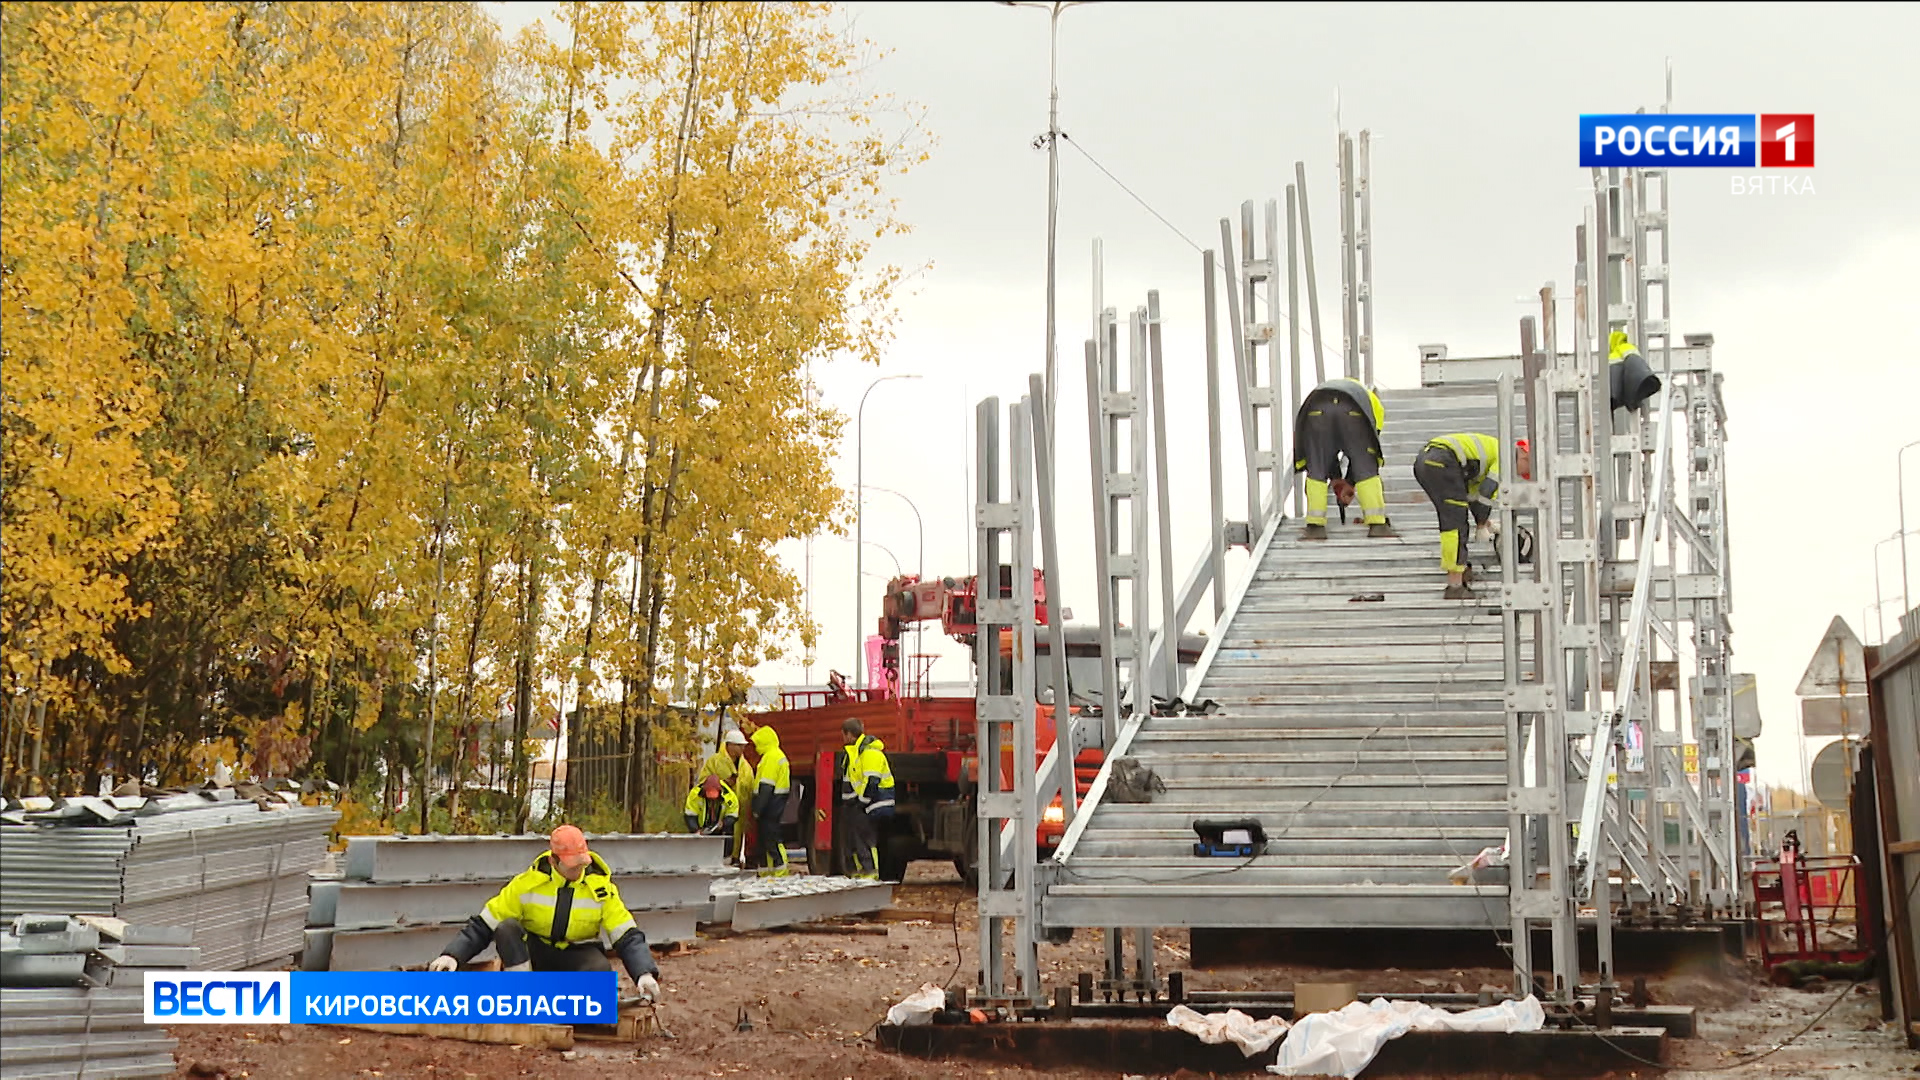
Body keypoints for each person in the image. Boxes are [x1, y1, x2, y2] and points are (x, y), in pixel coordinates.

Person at [427, 825, 661, 1003]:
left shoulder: (601, 890)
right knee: (507, 928)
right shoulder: (526, 885)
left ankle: (563, 999)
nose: (577, 870)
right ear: (553, 860)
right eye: (571, 865)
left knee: (599, 977)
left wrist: (643, 973)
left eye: (581, 863)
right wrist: (452, 956)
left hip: (577, 954)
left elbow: (627, 935)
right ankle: (521, 996)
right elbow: (485, 924)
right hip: (535, 954)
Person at [1412, 434, 1532, 599]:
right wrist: (1481, 524)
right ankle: (1455, 585)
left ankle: (1460, 570)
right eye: (1526, 471)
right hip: (1442, 460)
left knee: (1454, 516)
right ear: (1525, 456)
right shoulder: (1505, 458)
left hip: (1427, 461)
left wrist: (1483, 523)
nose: (1520, 475)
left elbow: (1473, 497)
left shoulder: (1490, 455)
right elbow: (1487, 492)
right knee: (1455, 523)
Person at [1292, 377, 1393, 540]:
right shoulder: (1373, 404)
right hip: (1352, 410)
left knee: (1317, 466)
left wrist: (1337, 479)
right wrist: (1350, 480)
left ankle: (1315, 528)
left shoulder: (1335, 388)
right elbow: (1366, 451)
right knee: (1366, 467)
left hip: (1315, 405)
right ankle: (1377, 525)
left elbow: (1326, 451)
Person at [838, 718, 896, 881]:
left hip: (875, 802)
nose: (843, 738)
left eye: (843, 735)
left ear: (849, 734)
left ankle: (870, 871)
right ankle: (862, 871)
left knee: (865, 837)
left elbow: (872, 781)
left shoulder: (869, 753)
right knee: (856, 837)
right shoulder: (856, 753)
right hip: (866, 802)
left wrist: (861, 803)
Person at [739, 715, 792, 877]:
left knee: (771, 838)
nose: (755, 748)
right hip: (775, 802)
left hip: (770, 804)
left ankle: (779, 871)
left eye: (757, 744)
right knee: (769, 838)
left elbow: (766, 787)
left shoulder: (770, 758)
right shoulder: (776, 755)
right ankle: (771, 872)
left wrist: (757, 809)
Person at [683, 774, 740, 855]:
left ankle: (725, 855)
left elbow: (733, 815)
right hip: (701, 827)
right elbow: (690, 815)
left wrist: (723, 823)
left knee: (729, 831)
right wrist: (696, 829)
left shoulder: (730, 797)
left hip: (721, 828)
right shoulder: (695, 795)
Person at [1608, 332, 1662, 412]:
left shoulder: (1618, 351)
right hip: (1635, 381)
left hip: (1616, 392)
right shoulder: (1626, 348)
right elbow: (1636, 366)